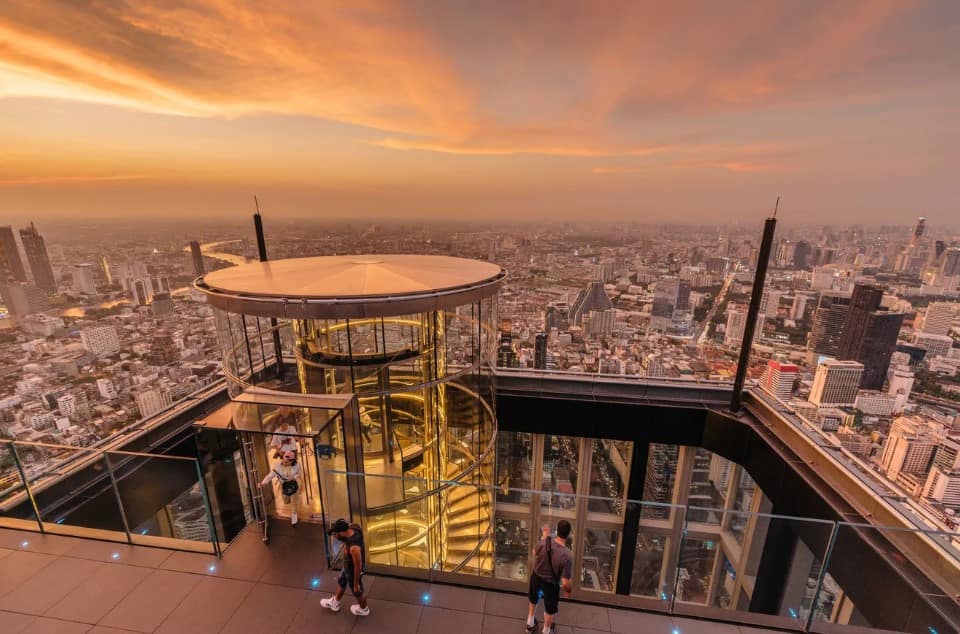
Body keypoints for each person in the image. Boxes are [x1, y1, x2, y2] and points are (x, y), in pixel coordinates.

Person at [526, 520, 573, 634]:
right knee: (549, 608)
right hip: (551, 584)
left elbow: (534, 552)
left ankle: (530, 625)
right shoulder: (567, 555)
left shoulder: (544, 542)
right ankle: (546, 631)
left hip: (536, 576)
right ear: (568, 535)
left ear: (556, 530)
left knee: (533, 598)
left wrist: (544, 537)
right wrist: (568, 591)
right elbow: (565, 581)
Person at [321, 518, 370, 616]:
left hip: (353, 571)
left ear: (342, 533)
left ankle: (364, 609)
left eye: (335, 534)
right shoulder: (354, 528)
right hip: (348, 566)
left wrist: (356, 584)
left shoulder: (354, 548)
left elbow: (358, 566)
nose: (335, 536)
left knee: (357, 591)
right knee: (342, 581)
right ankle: (335, 602)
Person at [260, 450, 301, 525]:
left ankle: (294, 518)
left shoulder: (296, 465)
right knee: (286, 501)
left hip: (294, 484)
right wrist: (263, 483)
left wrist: (293, 477)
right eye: (284, 461)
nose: (284, 463)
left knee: (294, 502)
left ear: (292, 461)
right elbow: (270, 475)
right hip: (284, 485)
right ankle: (290, 500)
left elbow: (298, 473)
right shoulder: (278, 466)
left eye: (287, 462)